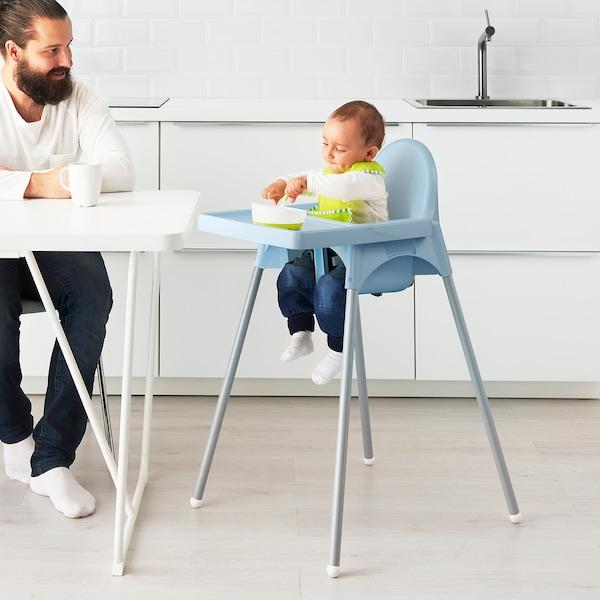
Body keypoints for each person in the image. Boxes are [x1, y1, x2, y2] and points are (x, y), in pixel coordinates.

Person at [0, 0, 134, 518]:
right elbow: (86, 177)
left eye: (69, 46)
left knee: (94, 296)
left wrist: (14, 180)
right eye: (51, 49)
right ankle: (13, 435)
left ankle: (52, 456)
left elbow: (121, 170)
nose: (66, 60)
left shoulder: (79, 98)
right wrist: (43, 182)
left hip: (54, 246)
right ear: (14, 52)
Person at [262, 100, 388, 385]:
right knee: (292, 272)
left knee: (329, 288)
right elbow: (311, 177)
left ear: (368, 153)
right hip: (329, 252)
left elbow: (339, 187)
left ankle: (338, 350)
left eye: (340, 149)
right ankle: (300, 331)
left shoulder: (368, 179)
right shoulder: (330, 174)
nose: (329, 154)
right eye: (325, 143)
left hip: (363, 256)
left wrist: (305, 183)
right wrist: (283, 183)